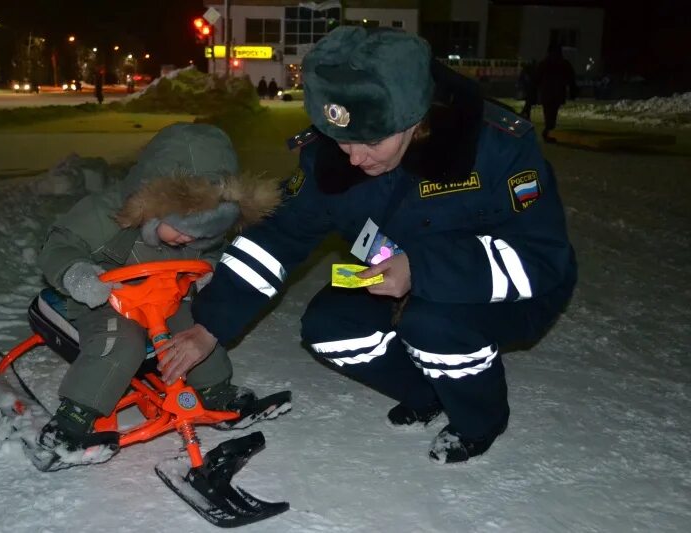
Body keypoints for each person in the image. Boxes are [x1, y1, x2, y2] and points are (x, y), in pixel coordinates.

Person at [160, 27, 576, 465]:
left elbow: (542, 259)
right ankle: (427, 393)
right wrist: (210, 325)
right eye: (343, 140)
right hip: (391, 269)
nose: (354, 158)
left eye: (373, 142)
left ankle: (478, 420)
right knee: (328, 328)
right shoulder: (335, 155)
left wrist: (420, 269)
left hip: (497, 283)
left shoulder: (497, 147)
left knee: (432, 327)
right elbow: (276, 237)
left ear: (417, 118)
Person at [34, 123, 281, 469]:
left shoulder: (198, 237)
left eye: (203, 233)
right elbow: (58, 245)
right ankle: (73, 419)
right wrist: (78, 274)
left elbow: (210, 257)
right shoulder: (106, 214)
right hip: (106, 299)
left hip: (166, 299)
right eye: (182, 229)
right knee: (122, 342)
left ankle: (215, 390)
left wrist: (206, 276)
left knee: (198, 326)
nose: (188, 240)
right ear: (153, 204)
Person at [534, 40, 577, 143]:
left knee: (548, 113)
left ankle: (548, 131)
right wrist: (573, 91)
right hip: (558, 93)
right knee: (553, 113)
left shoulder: (544, 63)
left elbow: (536, 78)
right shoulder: (564, 63)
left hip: (547, 93)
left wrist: (536, 90)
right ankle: (549, 131)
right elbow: (571, 79)